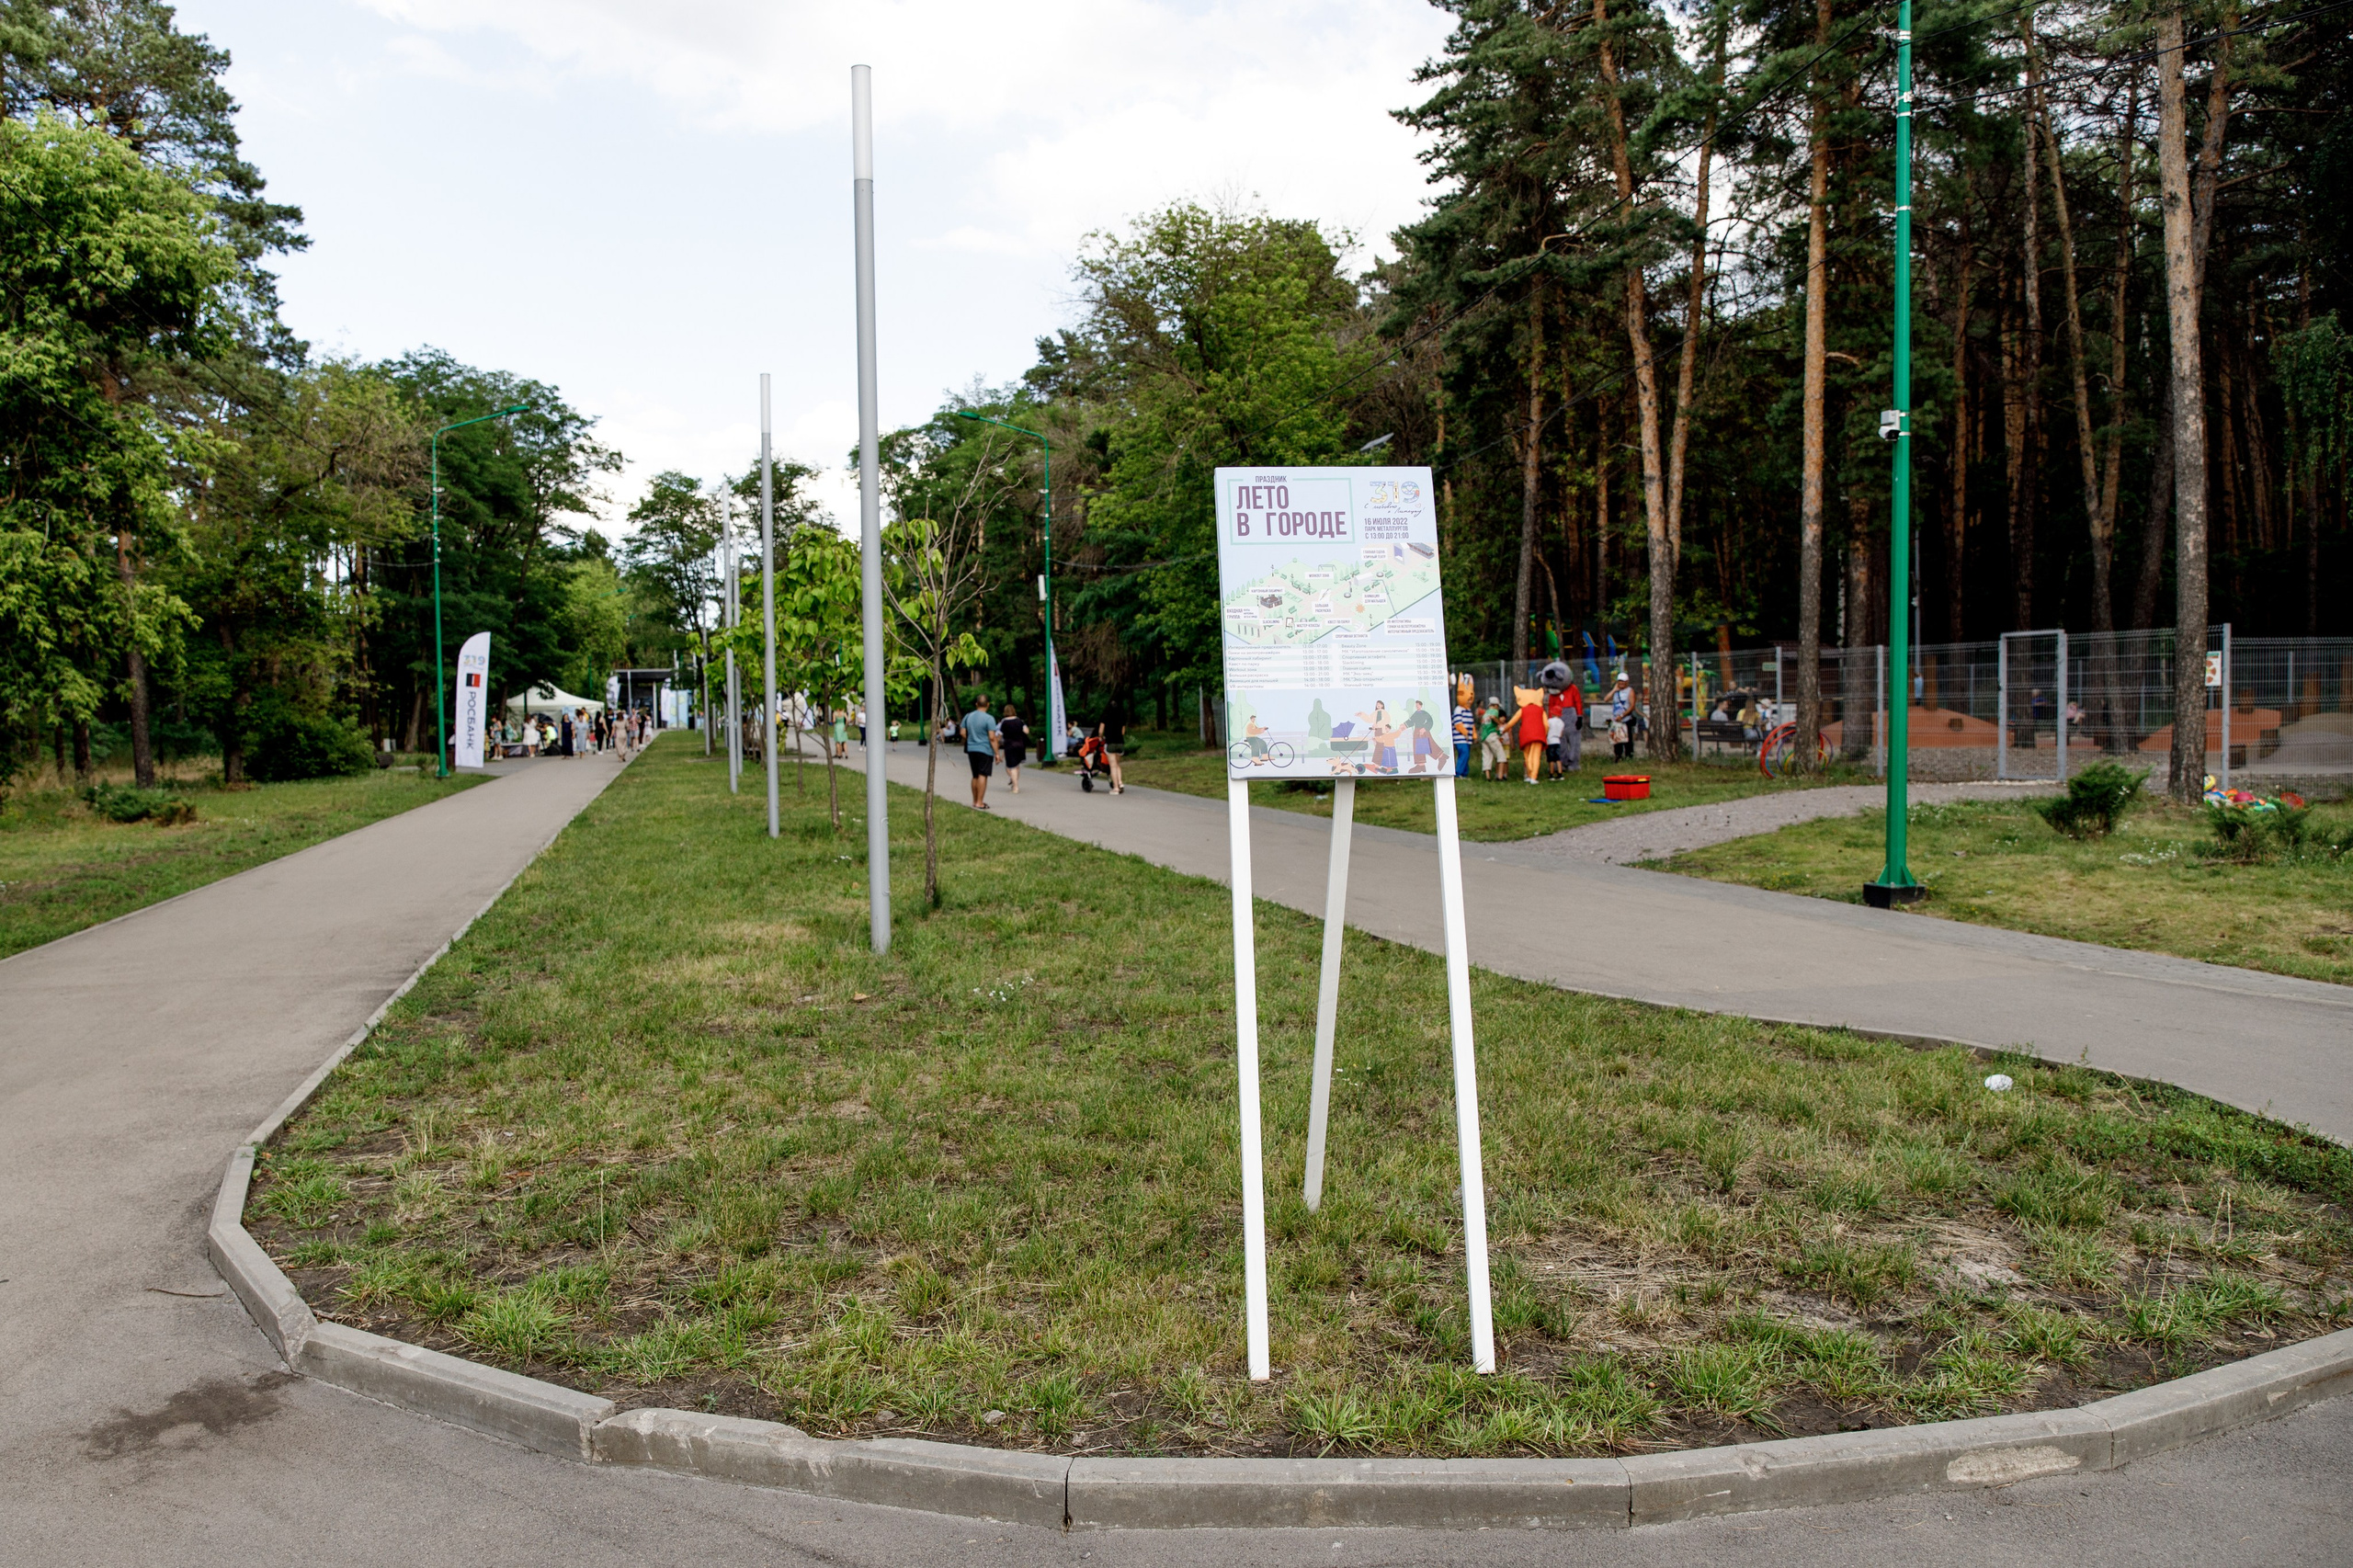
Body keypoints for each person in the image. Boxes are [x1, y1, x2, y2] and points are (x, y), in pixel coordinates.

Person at [961, 694, 1002, 810]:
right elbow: (992, 738)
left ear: (976, 704)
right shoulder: (989, 719)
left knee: (975, 775)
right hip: (985, 749)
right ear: (988, 705)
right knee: (983, 774)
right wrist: (997, 754)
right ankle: (980, 802)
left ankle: (974, 800)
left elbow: (962, 732)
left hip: (971, 749)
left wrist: (970, 739)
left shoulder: (968, 716)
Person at [1514, 689, 1547, 783]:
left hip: (1525, 735)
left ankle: (1528, 775)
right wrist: (1545, 733)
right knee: (1536, 756)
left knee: (1527, 756)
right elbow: (1546, 725)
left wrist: (1504, 730)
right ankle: (1533, 777)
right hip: (1538, 735)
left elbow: (1513, 721)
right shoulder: (1541, 710)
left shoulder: (1522, 710)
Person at [998, 704, 1029, 793]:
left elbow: (999, 735)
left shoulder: (1004, 722)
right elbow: (1026, 731)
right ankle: (1014, 780)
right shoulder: (1019, 721)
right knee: (1017, 766)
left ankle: (1015, 786)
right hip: (1020, 744)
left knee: (1011, 767)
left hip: (1009, 745)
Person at [1404, 699, 1438, 773]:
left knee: (1427, 746)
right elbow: (1411, 721)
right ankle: (1421, 765)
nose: (1417, 706)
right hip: (1417, 731)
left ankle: (1423, 765)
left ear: (1421, 705)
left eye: (1418, 705)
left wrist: (1425, 728)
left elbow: (1430, 721)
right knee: (1418, 747)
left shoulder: (1424, 713)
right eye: (1416, 706)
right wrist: (1404, 725)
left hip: (1422, 731)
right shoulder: (1416, 713)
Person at [1094, 715, 1125, 793]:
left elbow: (1100, 731)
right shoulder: (1121, 716)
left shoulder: (1106, 716)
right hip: (1120, 743)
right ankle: (1120, 782)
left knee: (1113, 766)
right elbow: (1123, 732)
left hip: (1110, 743)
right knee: (1117, 765)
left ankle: (1116, 788)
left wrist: (1101, 737)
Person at [1477, 699, 1507, 779]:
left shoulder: (1485, 713)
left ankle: (1488, 777)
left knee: (1487, 756)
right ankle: (1500, 777)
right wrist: (1499, 723)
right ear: (1495, 705)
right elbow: (1493, 717)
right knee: (1501, 755)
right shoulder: (1494, 711)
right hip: (1491, 735)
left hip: (1484, 736)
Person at [1608, 675, 1635, 763]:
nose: (1621, 683)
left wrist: (1623, 715)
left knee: (1627, 740)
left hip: (1626, 719)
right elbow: (1606, 699)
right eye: (1620, 681)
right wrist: (1614, 690)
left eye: (1623, 681)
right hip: (1616, 719)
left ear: (1627, 682)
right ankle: (1618, 756)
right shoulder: (1616, 692)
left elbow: (1631, 706)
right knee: (1617, 739)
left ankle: (1629, 756)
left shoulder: (1630, 691)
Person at [1451, 688, 1475, 778]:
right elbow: (1458, 723)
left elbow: (1472, 724)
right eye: (1468, 699)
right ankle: (1458, 773)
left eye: (1470, 700)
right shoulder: (1458, 709)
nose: (1469, 701)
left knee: (1466, 755)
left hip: (1467, 739)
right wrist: (1465, 733)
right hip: (1460, 738)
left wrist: (1474, 735)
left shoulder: (1468, 710)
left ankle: (1464, 773)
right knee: (1464, 754)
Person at [1545, 707, 1565, 780]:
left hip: (1550, 741)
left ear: (1553, 713)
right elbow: (1561, 734)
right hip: (1557, 741)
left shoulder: (1549, 721)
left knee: (1551, 759)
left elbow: (1546, 729)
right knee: (1558, 758)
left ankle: (1551, 774)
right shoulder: (1561, 722)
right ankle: (1560, 774)